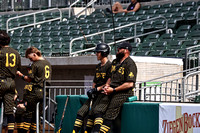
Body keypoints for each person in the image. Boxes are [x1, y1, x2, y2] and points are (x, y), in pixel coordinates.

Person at [98, 42, 137, 133]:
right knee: (99, 108)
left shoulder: (130, 64)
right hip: (111, 89)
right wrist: (107, 86)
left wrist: (114, 90)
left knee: (110, 112)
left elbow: (130, 84)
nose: (118, 50)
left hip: (123, 92)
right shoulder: (115, 62)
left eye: (120, 49)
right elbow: (110, 77)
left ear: (126, 50)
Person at [72, 43, 112, 133]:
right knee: (81, 111)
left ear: (103, 53)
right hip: (95, 94)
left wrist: (96, 89)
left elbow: (108, 83)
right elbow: (94, 81)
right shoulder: (98, 66)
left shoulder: (110, 66)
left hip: (104, 94)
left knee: (97, 111)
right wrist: (93, 91)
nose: (96, 54)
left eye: (98, 52)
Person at [16, 46, 52, 133]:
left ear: (35, 54)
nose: (30, 60)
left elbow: (29, 79)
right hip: (45, 92)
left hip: (35, 91)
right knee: (37, 115)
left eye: (30, 58)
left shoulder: (35, 64)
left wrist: (20, 75)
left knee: (27, 113)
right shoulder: (48, 63)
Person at [0, 30, 22, 133]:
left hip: (1, 81)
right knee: (9, 112)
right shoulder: (16, 53)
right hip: (11, 83)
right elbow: (18, 69)